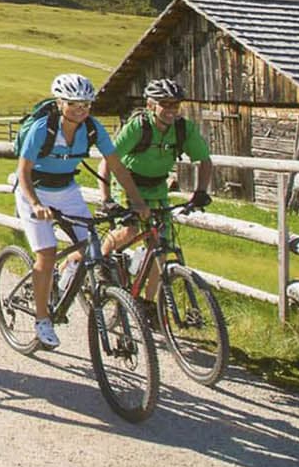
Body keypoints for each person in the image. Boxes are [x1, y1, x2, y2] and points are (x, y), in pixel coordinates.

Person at [13, 73, 149, 349]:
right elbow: (23, 171)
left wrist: (137, 201)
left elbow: (117, 166)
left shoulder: (93, 128)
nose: (82, 110)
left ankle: (66, 274)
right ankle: (42, 321)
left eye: (86, 104)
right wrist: (37, 205)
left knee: (91, 244)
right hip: (34, 190)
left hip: (67, 189)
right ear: (60, 103)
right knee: (47, 254)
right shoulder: (43, 128)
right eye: (75, 104)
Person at [100, 78, 214, 298]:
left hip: (158, 188)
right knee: (130, 230)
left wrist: (201, 192)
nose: (171, 109)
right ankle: (102, 261)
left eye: (175, 104)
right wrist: (106, 199)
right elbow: (109, 160)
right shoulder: (138, 126)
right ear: (151, 105)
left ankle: (148, 303)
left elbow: (205, 161)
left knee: (161, 247)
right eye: (165, 104)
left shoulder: (183, 129)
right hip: (127, 184)